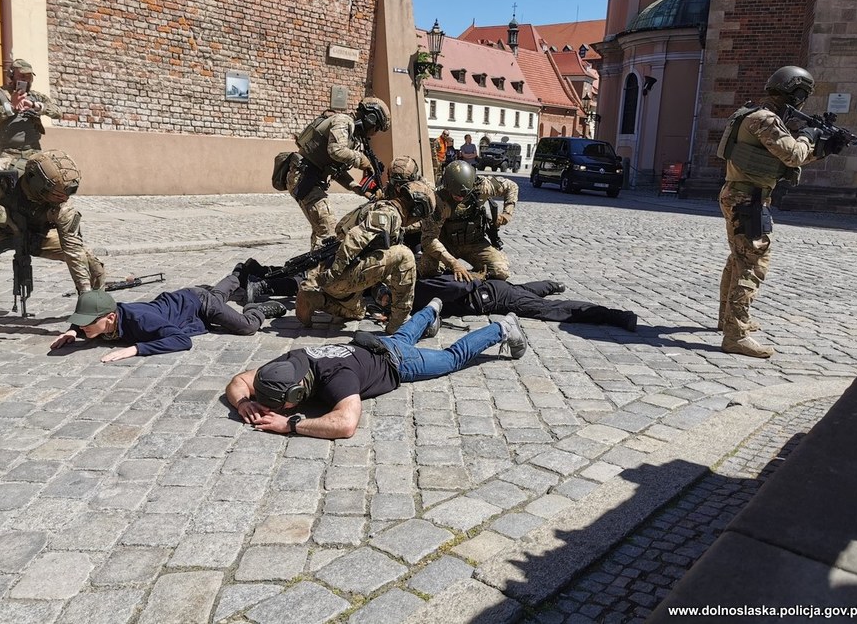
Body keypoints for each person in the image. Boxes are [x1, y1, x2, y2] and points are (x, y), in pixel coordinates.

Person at [224, 299, 528, 439]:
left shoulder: (337, 380)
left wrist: (290, 425)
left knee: (452, 358)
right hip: (374, 344)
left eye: (275, 403)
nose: (266, 405)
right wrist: (244, 402)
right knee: (403, 336)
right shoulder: (288, 364)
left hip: (397, 363)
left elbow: (345, 424)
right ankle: (431, 309)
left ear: (296, 393)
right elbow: (239, 379)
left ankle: (502, 328)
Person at [716, 65, 843, 358]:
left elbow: (786, 161)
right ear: (796, 92)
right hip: (747, 198)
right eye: (802, 96)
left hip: (741, 194)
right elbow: (794, 153)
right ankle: (735, 334)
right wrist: (810, 136)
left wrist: (824, 149)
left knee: (739, 258)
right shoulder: (766, 120)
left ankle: (729, 321)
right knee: (753, 264)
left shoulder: (754, 114)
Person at [0, 149, 105, 320]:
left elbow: (74, 251)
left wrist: (86, 296)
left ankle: (99, 314)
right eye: (57, 194)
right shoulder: (3, 171)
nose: (64, 199)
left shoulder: (63, 208)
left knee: (90, 262)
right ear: (37, 183)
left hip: (34, 234)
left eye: (67, 193)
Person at [296, 156, 435, 334]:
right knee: (404, 255)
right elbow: (354, 238)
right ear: (415, 211)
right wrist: (333, 273)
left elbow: (377, 258)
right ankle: (399, 325)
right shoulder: (389, 215)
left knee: (357, 312)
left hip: (340, 281)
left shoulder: (388, 208)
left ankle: (313, 299)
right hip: (336, 276)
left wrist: (383, 291)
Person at [50, 263, 287, 362]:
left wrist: (136, 349)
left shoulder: (141, 321)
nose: (84, 328)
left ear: (110, 318)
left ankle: (258, 308)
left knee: (246, 326)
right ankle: (239, 274)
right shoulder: (104, 318)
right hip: (187, 301)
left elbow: (181, 340)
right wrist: (71, 331)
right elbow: (87, 323)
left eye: (86, 324)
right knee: (218, 295)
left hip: (199, 304)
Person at [288, 96, 391, 249]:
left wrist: (358, 188)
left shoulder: (352, 136)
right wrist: (363, 161)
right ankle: (317, 269)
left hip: (312, 178)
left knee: (321, 231)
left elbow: (336, 170)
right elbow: (335, 151)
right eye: (376, 128)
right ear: (371, 118)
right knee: (328, 229)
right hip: (303, 176)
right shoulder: (343, 121)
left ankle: (315, 268)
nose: (374, 134)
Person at [375, 274, 639, 332]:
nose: (385, 301)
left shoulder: (419, 288)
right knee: (522, 292)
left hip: (492, 296)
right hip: (498, 293)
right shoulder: (407, 302)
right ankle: (550, 284)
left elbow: (459, 286)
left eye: (384, 295)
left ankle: (614, 315)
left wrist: (477, 281)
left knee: (547, 310)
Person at [420, 160, 518, 281]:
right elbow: (428, 239)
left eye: (464, 195)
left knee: (500, 271)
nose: (460, 198)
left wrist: (507, 213)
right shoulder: (438, 201)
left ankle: (469, 279)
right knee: (428, 269)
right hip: (447, 244)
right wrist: (453, 263)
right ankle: (455, 276)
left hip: (474, 242)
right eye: (456, 195)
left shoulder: (482, 186)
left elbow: (511, 186)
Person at [0, 59, 61, 170]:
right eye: (22, 76)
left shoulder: (36, 97)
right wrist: (11, 107)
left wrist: (36, 106)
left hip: (34, 151)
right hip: (8, 154)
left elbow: (58, 112)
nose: (26, 80)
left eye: (28, 77)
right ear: (12, 75)